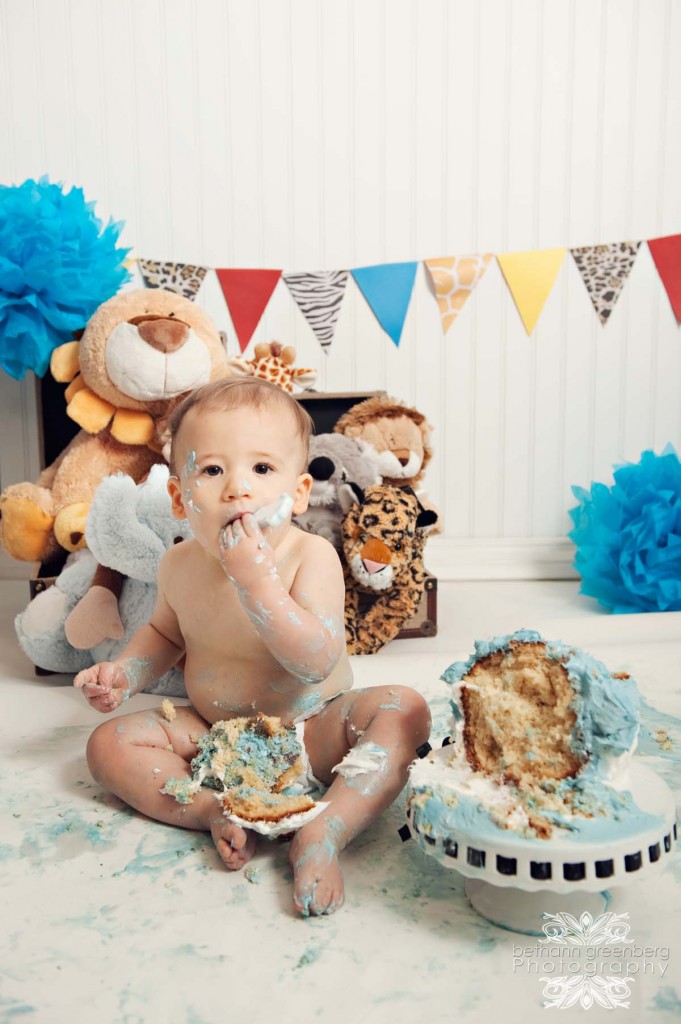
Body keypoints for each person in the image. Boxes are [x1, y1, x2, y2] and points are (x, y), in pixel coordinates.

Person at [75, 377, 431, 916]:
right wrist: (125, 673)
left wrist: (259, 586)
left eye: (262, 469)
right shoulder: (178, 565)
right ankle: (213, 810)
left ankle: (325, 830)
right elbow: (165, 636)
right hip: (213, 735)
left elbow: (316, 662)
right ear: (179, 498)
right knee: (107, 745)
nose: (237, 489)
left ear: (300, 492)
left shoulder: (311, 556)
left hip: (314, 726)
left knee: (405, 709)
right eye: (212, 470)